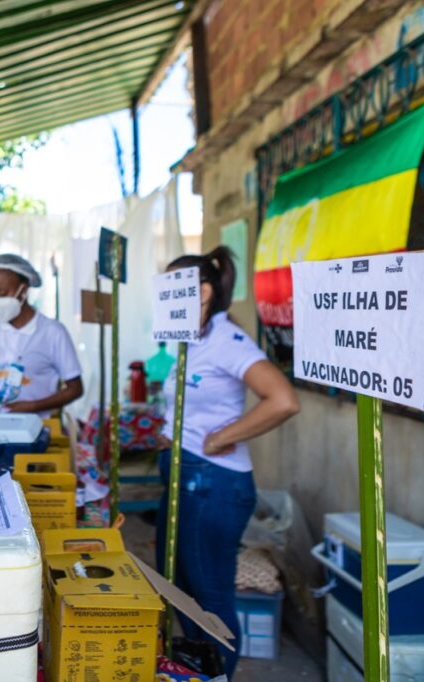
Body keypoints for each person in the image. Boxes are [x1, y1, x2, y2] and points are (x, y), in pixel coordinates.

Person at [154, 246, 300, 679]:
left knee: (211, 598)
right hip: (186, 475)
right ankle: (200, 668)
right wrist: (172, 433)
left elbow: (283, 400)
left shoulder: (226, 340)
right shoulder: (190, 339)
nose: (163, 295)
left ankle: (218, 674)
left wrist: (223, 436)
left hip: (213, 485)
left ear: (202, 292)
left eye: (172, 287)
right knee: (179, 588)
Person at [0, 254, 83, 417]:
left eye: (2, 292)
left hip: (32, 428)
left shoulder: (52, 332)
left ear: (24, 289)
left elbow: (75, 389)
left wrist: (34, 406)